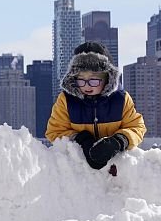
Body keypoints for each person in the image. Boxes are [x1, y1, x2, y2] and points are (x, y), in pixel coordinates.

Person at [45, 41, 146, 170]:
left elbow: (136, 127)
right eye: (81, 80)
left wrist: (118, 141)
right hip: (78, 170)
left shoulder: (120, 100)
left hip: (117, 169)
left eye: (93, 80)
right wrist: (82, 139)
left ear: (107, 79)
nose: (87, 85)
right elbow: (54, 131)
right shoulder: (66, 101)